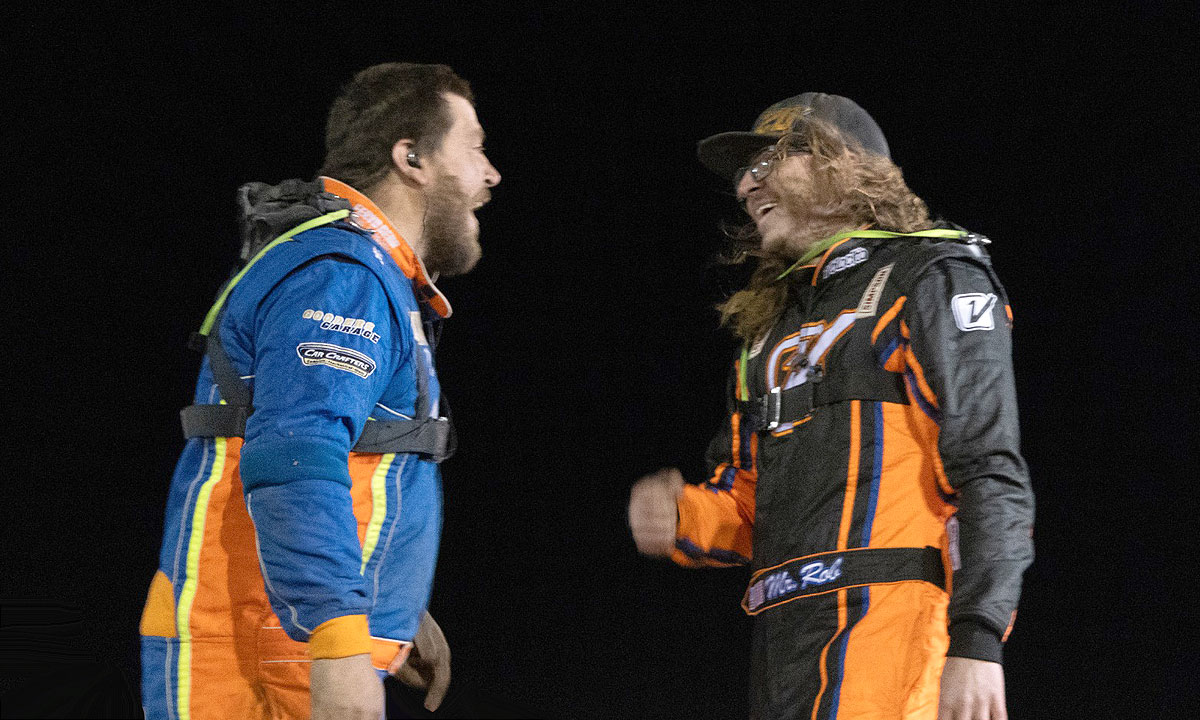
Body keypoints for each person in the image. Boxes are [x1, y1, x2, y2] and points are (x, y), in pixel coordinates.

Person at [628, 93, 1034, 720]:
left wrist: (978, 641)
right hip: (785, 642)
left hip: (895, 629)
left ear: (843, 165)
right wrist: (681, 516)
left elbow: (987, 470)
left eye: (768, 162)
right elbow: (745, 505)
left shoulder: (929, 276)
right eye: (744, 172)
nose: (744, 186)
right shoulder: (768, 331)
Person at [138, 62, 500, 720]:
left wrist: (393, 596)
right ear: (411, 158)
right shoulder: (343, 274)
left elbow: (347, 457)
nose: (491, 175)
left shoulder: (361, 269)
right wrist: (338, 640)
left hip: (283, 636)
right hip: (268, 648)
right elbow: (296, 458)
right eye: (475, 147)